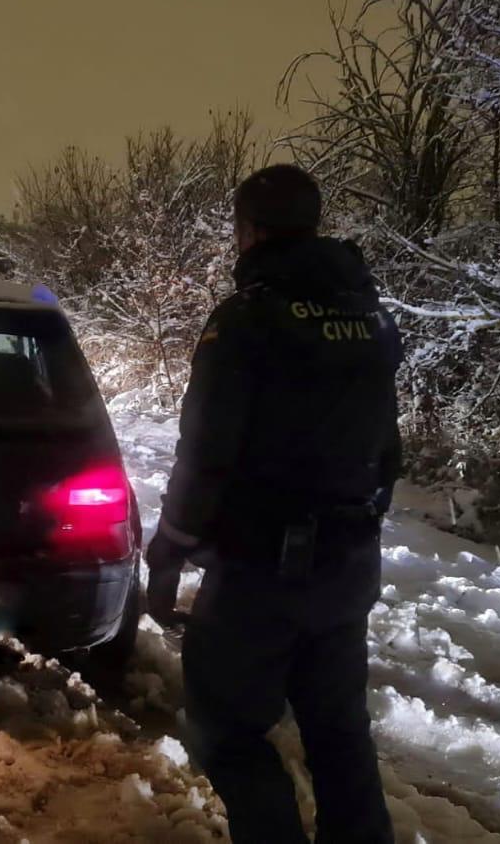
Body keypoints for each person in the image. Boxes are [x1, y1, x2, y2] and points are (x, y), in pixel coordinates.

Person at [147, 165, 402, 843]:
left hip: (260, 568)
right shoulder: (371, 318)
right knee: (338, 729)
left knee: (225, 726)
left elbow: (205, 452)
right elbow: (388, 450)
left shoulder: (247, 319)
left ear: (250, 231)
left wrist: (171, 544)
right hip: (347, 565)